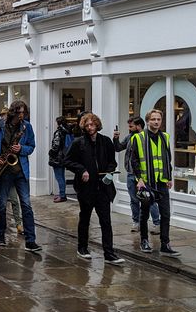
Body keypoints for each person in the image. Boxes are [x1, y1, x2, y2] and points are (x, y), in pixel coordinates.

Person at [63, 113, 124, 264]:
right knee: (85, 219)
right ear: (83, 126)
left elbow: (112, 162)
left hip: (103, 187)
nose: (90, 128)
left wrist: (109, 173)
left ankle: (109, 254)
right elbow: (67, 160)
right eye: (87, 125)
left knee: (106, 221)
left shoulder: (106, 141)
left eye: (92, 125)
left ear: (97, 125)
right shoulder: (79, 143)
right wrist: (81, 170)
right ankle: (82, 248)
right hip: (86, 188)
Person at [0, 100, 42, 252]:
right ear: (12, 112)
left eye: (23, 113)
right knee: (1, 204)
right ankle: (0, 235)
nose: (21, 116)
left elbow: (31, 146)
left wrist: (21, 148)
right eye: (18, 113)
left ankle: (30, 241)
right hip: (3, 171)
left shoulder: (26, 127)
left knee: (26, 205)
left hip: (21, 171)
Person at [131, 109, 180, 256]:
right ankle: (144, 241)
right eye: (153, 119)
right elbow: (133, 161)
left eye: (159, 119)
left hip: (162, 182)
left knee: (166, 214)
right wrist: (139, 179)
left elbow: (167, 159)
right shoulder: (138, 138)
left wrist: (169, 177)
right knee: (145, 214)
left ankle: (165, 244)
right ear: (147, 121)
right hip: (146, 182)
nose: (156, 122)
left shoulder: (165, 137)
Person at [113, 116, 161, 233]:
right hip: (131, 174)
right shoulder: (129, 137)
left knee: (149, 199)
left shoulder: (147, 138)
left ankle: (157, 223)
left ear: (138, 126)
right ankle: (136, 223)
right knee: (134, 200)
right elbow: (118, 148)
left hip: (145, 175)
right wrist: (115, 138)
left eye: (131, 126)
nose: (129, 129)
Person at [0, 108, 22, 233]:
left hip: (12, 169)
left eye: (6, 115)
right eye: (2, 115)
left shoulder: (18, 127)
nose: (4, 118)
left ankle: (19, 224)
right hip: (0, 168)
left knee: (14, 199)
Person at [49, 116, 72, 202]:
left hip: (58, 158)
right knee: (62, 177)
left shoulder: (59, 132)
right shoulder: (68, 131)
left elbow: (56, 145)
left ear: (58, 123)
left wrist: (51, 152)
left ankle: (62, 196)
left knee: (59, 177)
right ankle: (62, 194)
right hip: (64, 157)